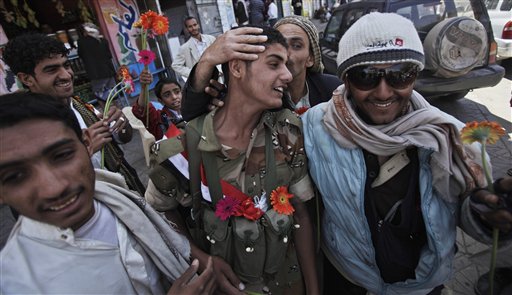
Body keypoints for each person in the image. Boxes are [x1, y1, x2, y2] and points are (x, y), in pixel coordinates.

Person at [301, 12, 512, 294]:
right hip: (348, 277)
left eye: (400, 75)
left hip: (422, 283)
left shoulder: (445, 135)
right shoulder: (315, 126)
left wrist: (483, 212)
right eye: (366, 77)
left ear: (415, 75)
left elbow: (459, 208)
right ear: (346, 80)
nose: (384, 92)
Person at [145, 26, 319, 295]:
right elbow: (157, 213)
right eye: (274, 64)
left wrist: (314, 289)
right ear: (236, 69)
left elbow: (301, 215)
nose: (287, 74)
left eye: (286, 64)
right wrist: (203, 260)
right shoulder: (182, 148)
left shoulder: (287, 132)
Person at [0, 92, 216, 294]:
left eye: (62, 155)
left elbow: (164, 236)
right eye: (15, 176)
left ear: (87, 143)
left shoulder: (115, 195)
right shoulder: (16, 283)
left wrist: (205, 261)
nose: (54, 188)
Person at [3, 33, 146, 196]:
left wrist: (123, 125)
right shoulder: (24, 129)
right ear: (26, 79)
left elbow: (122, 139)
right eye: (51, 70)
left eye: (66, 65)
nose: (66, 75)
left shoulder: (79, 105)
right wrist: (84, 151)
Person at [181, 16, 340, 120]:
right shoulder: (253, 95)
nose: (286, 54)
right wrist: (207, 60)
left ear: (310, 58)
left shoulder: (333, 91)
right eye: (281, 45)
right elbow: (192, 116)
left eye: (296, 45)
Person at [132, 72, 184, 140]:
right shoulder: (159, 119)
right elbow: (141, 110)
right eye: (167, 95)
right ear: (160, 100)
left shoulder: (193, 108)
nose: (174, 97)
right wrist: (144, 87)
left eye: (177, 92)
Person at [77, 22, 117, 109]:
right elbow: (109, 56)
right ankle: (116, 112)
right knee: (111, 94)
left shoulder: (81, 42)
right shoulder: (104, 41)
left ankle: (107, 115)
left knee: (100, 95)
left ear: (85, 32)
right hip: (108, 71)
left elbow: (80, 54)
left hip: (95, 74)